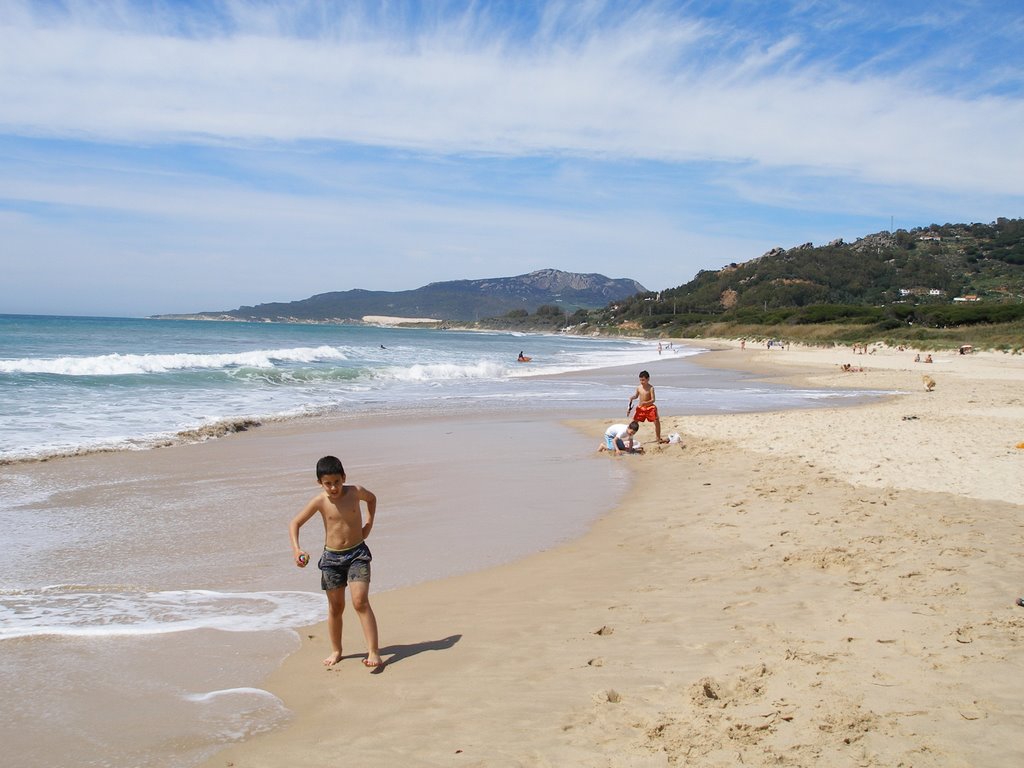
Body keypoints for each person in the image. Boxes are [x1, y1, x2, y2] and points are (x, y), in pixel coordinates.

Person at [290, 455, 383, 669]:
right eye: (328, 484)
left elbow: (372, 499)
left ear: (344, 477)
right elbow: (295, 523)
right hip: (331, 558)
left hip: (357, 554)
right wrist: (297, 549)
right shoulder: (319, 501)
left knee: (360, 601)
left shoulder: (355, 492)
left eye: (337, 482)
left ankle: (374, 651)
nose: (333, 488)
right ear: (320, 483)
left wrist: (368, 523)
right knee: (336, 607)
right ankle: (337, 650)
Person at [628, 370, 668, 444]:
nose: (641, 382)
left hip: (650, 407)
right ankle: (630, 438)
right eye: (640, 380)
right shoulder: (638, 388)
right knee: (634, 422)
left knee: (656, 421)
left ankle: (658, 437)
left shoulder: (651, 388)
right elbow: (636, 396)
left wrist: (646, 403)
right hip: (641, 408)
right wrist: (632, 398)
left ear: (648, 379)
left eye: (643, 380)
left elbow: (653, 399)